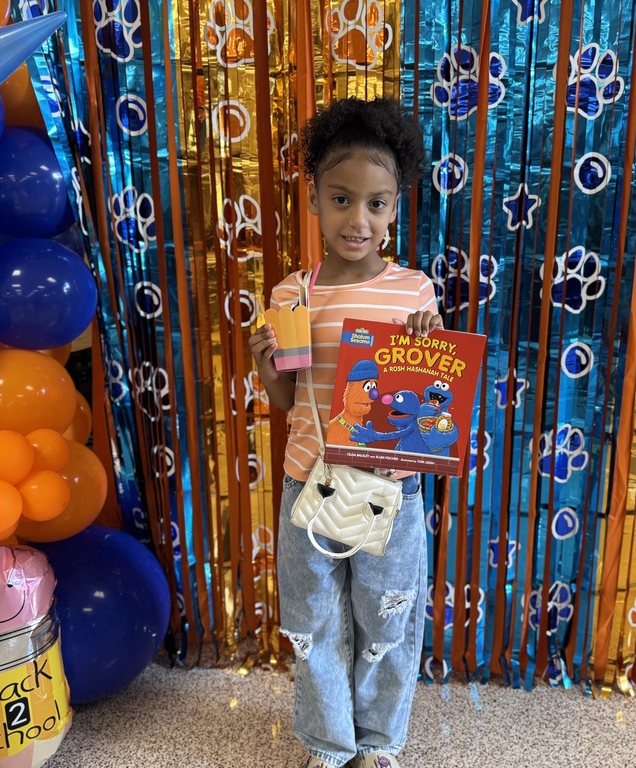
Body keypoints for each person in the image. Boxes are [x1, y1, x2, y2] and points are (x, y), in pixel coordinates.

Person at [249, 97, 440, 768]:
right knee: (313, 623)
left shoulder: (415, 291)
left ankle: (380, 745)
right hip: (311, 485)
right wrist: (266, 367)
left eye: (377, 204)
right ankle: (330, 747)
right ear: (314, 199)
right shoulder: (292, 295)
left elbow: (431, 406)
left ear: (395, 207)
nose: (358, 220)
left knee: (388, 620)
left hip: (390, 490)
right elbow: (288, 401)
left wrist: (429, 345)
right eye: (341, 199)